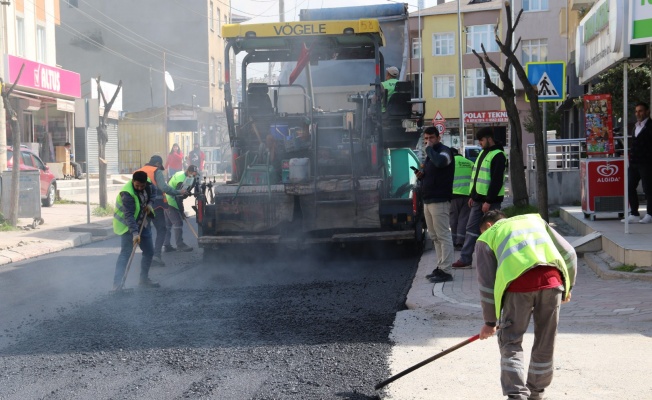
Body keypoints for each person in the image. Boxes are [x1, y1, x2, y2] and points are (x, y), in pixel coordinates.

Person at [475, 210, 577, 400]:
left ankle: (517, 395)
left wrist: (490, 322)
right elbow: (570, 253)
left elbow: (486, 284)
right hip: (553, 284)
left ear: (488, 225)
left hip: (517, 287)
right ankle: (536, 393)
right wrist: (568, 286)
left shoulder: (487, 236)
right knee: (545, 340)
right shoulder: (535, 220)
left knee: (511, 340)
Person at [452, 127, 507, 269]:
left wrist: (488, 201)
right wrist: (473, 196)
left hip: (491, 201)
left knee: (493, 231)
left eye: (482, 140)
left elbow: (496, 181)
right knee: (470, 228)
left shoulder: (498, 155)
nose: (480, 143)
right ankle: (465, 259)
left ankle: (495, 261)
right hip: (477, 200)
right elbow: (476, 177)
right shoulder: (483, 153)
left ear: (489, 139)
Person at [415, 127, 455, 283]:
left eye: (431, 137)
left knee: (443, 235)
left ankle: (446, 271)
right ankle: (440, 267)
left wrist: (429, 150)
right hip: (429, 199)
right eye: (426, 138)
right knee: (435, 237)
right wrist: (421, 176)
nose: (428, 140)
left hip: (440, 200)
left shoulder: (444, 151)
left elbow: (441, 162)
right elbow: (432, 173)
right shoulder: (430, 155)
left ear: (439, 137)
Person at [136, 155, 187, 267]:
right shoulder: (156, 171)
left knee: (146, 231)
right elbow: (164, 187)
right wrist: (178, 192)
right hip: (155, 206)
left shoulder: (139, 170)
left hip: (141, 206)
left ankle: (147, 256)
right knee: (161, 229)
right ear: (158, 164)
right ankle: (156, 256)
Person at [112, 171, 160, 289]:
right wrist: (134, 234)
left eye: (142, 186)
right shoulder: (127, 194)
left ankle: (144, 280)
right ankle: (117, 285)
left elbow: (154, 192)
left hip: (143, 223)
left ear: (145, 183)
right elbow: (129, 215)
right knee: (125, 254)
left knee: (149, 251)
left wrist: (149, 204)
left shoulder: (149, 184)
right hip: (127, 226)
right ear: (133, 181)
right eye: (137, 185)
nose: (139, 188)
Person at [622, 102, 652, 224]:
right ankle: (634, 213)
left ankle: (650, 213)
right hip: (634, 163)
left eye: (640, 111)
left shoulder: (650, 126)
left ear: (647, 112)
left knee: (648, 189)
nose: (638, 114)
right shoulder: (636, 127)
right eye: (636, 111)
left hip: (646, 163)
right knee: (629, 186)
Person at [163, 165, 198, 253]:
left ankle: (167, 245)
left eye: (195, 175)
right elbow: (178, 197)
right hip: (170, 201)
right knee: (178, 223)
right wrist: (181, 211)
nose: (193, 176)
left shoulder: (182, 174)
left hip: (167, 199)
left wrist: (187, 192)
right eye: (192, 174)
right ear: (188, 171)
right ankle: (180, 244)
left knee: (168, 225)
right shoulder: (181, 180)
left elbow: (169, 180)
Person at [450, 148, 474, 250]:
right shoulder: (470, 163)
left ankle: (454, 241)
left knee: (453, 219)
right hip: (468, 195)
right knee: (464, 219)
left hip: (453, 195)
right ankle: (461, 241)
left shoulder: (449, 163)